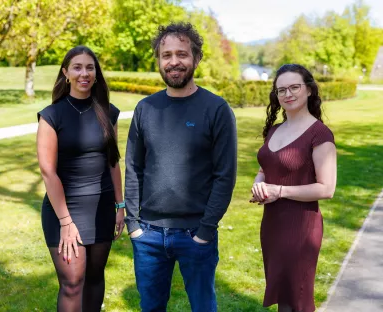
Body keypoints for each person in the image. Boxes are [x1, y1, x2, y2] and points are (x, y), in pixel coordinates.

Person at [124, 22, 237, 312]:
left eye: (182, 54)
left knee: (203, 307)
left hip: (195, 234)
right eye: (166, 55)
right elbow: (133, 168)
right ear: (159, 61)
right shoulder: (145, 109)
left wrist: (206, 230)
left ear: (196, 58)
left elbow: (224, 176)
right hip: (147, 235)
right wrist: (133, 225)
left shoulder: (216, 109)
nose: (174, 61)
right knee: (150, 308)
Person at [36, 46, 125, 312]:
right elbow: (47, 171)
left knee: (95, 278)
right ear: (65, 73)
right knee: (73, 282)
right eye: (77, 67)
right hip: (63, 211)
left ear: (96, 74)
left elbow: (113, 162)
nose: (84, 73)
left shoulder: (109, 113)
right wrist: (66, 222)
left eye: (90, 67)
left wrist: (120, 206)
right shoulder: (51, 116)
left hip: (101, 208)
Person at [250, 64, 337, 312]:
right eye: (281, 90)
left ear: (309, 90)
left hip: (301, 227)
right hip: (272, 225)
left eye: (294, 87)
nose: (287, 94)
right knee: (283, 297)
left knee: (298, 299)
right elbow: (265, 167)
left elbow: (327, 188)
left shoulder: (319, 134)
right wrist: (259, 183)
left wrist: (279, 191)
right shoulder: (275, 130)